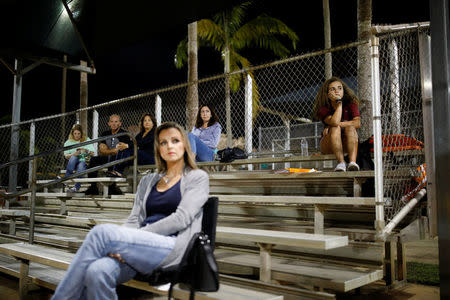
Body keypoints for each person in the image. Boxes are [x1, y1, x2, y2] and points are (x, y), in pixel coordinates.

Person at [51, 122, 209, 300]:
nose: (169, 146)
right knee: (98, 271)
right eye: (163, 142)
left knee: (101, 233)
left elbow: (181, 219)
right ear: (158, 149)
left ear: (185, 145)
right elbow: (134, 219)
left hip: (172, 247)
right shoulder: (148, 181)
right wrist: (127, 241)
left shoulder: (197, 178)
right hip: (140, 247)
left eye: (175, 140)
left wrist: (132, 239)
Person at [312, 76, 361, 172]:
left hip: (347, 142)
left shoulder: (351, 104)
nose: (337, 91)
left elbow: (357, 123)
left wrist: (335, 125)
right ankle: (341, 163)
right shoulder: (323, 109)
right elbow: (334, 122)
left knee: (350, 128)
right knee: (335, 128)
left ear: (343, 90)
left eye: (339, 88)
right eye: (332, 89)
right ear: (327, 94)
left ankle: (352, 163)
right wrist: (339, 104)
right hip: (329, 144)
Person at [85, 114, 132, 195]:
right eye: (112, 121)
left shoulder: (124, 134)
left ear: (120, 123)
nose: (113, 124)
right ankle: (93, 187)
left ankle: (112, 187)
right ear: (109, 123)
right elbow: (101, 150)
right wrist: (111, 151)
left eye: (116, 122)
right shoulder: (105, 133)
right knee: (94, 160)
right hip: (107, 157)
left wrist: (108, 150)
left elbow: (119, 151)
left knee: (113, 158)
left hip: (118, 158)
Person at [108, 113, 157, 177]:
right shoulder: (141, 134)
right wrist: (124, 145)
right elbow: (133, 141)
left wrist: (127, 145)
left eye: (149, 120)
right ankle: (113, 170)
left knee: (132, 151)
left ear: (153, 123)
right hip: (141, 157)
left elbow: (142, 142)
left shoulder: (155, 132)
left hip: (150, 157)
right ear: (142, 123)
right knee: (122, 150)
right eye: (145, 120)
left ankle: (118, 171)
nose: (147, 122)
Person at [63, 124, 95, 192]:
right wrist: (73, 154)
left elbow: (92, 153)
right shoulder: (68, 142)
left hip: (83, 160)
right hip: (72, 163)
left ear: (81, 133)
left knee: (81, 165)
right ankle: (68, 177)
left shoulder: (86, 140)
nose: (77, 135)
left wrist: (85, 150)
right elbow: (66, 156)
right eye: (75, 133)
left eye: (78, 133)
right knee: (73, 157)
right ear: (72, 134)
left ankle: (75, 186)